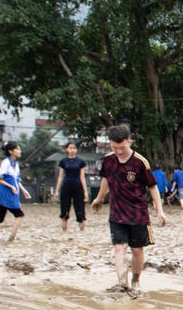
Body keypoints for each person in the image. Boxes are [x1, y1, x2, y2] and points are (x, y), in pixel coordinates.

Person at [90, 123, 166, 296]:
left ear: (129, 142)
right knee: (119, 248)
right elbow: (105, 180)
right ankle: (122, 283)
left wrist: (159, 210)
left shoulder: (140, 162)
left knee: (137, 250)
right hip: (117, 213)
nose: (118, 151)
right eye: (114, 147)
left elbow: (152, 187)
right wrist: (99, 198)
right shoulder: (108, 160)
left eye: (122, 147)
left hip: (138, 214)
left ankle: (135, 280)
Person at [0, 142, 31, 242]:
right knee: (19, 215)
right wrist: (10, 186)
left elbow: (16, 180)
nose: (20, 151)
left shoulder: (15, 164)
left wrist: (24, 190)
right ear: (10, 151)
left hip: (12, 193)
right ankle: (11, 238)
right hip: (6, 194)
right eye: (18, 149)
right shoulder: (6, 163)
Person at [55, 141, 89, 232]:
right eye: (70, 148)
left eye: (74, 148)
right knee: (64, 208)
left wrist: (85, 191)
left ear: (76, 150)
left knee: (80, 208)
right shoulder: (63, 161)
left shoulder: (80, 162)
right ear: (66, 149)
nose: (72, 150)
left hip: (78, 187)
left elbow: (82, 177)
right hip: (66, 187)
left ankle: (82, 230)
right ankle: (64, 230)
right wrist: (56, 190)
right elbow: (60, 176)